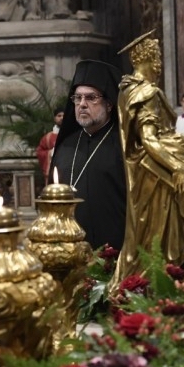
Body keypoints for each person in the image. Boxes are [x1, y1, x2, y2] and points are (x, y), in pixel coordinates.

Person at [108, 31, 184, 288]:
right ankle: (153, 288)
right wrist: (178, 167)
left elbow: (154, 136)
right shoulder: (145, 92)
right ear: (146, 57)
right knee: (156, 239)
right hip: (156, 175)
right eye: (156, 56)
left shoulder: (127, 90)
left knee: (143, 236)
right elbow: (148, 139)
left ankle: (141, 285)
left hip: (146, 171)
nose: (159, 63)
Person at [49, 60, 126, 250]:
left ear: (109, 104)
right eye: (78, 98)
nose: (82, 104)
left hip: (116, 249)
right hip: (71, 249)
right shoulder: (66, 145)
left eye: (91, 98)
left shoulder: (125, 145)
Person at [35, 107, 64, 178]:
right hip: (53, 171)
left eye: (64, 116)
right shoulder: (48, 138)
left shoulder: (73, 135)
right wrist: (50, 153)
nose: (62, 118)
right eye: (59, 116)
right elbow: (39, 152)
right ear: (54, 118)